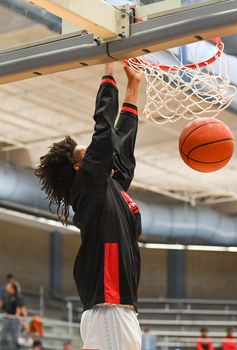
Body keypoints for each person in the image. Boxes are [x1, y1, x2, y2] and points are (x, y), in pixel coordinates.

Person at [35, 63, 143, 350]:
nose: (98, 153)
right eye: (89, 152)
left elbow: (122, 143)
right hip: (109, 306)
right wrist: (108, 73)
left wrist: (134, 85)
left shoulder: (111, 187)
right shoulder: (87, 187)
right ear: (80, 167)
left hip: (118, 308)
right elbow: (105, 132)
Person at [0, 283, 26, 349]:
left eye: (8, 287)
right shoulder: (7, 296)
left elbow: (19, 309)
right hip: (7, 319)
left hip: (15, 320)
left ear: (12, 289)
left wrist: (18, 317)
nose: (7, 288)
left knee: (14, 337)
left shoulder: (18, 297)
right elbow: (5, 307)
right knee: (3, 336)